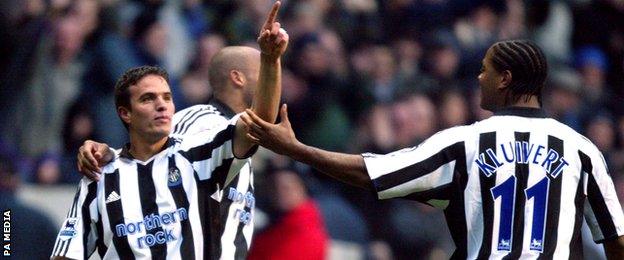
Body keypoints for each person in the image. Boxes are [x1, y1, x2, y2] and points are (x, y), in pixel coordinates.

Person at [241, 40, 624, 259]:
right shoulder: (581, 149)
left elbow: (371, 172)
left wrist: (297, 150)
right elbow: (617, 240)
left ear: (505, 79)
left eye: (486, 70)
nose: (479, 77)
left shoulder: (466, 141)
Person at [50, 2, 287, 259]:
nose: (162, 105)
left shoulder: (223, 134)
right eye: (149, 99)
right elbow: (156, 155)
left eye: (167, 97)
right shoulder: (202, 125)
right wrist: (110, 157)